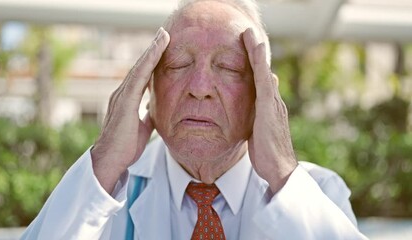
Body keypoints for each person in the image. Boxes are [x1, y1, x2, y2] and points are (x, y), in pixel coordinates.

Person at [21, 0, 367, 239]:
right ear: (148, 86)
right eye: (177, 65)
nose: (199, 88)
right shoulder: (101, 189)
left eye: (229, 67)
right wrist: (106, 159)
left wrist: (281, 173)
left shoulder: (319, 193)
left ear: (263, 94)